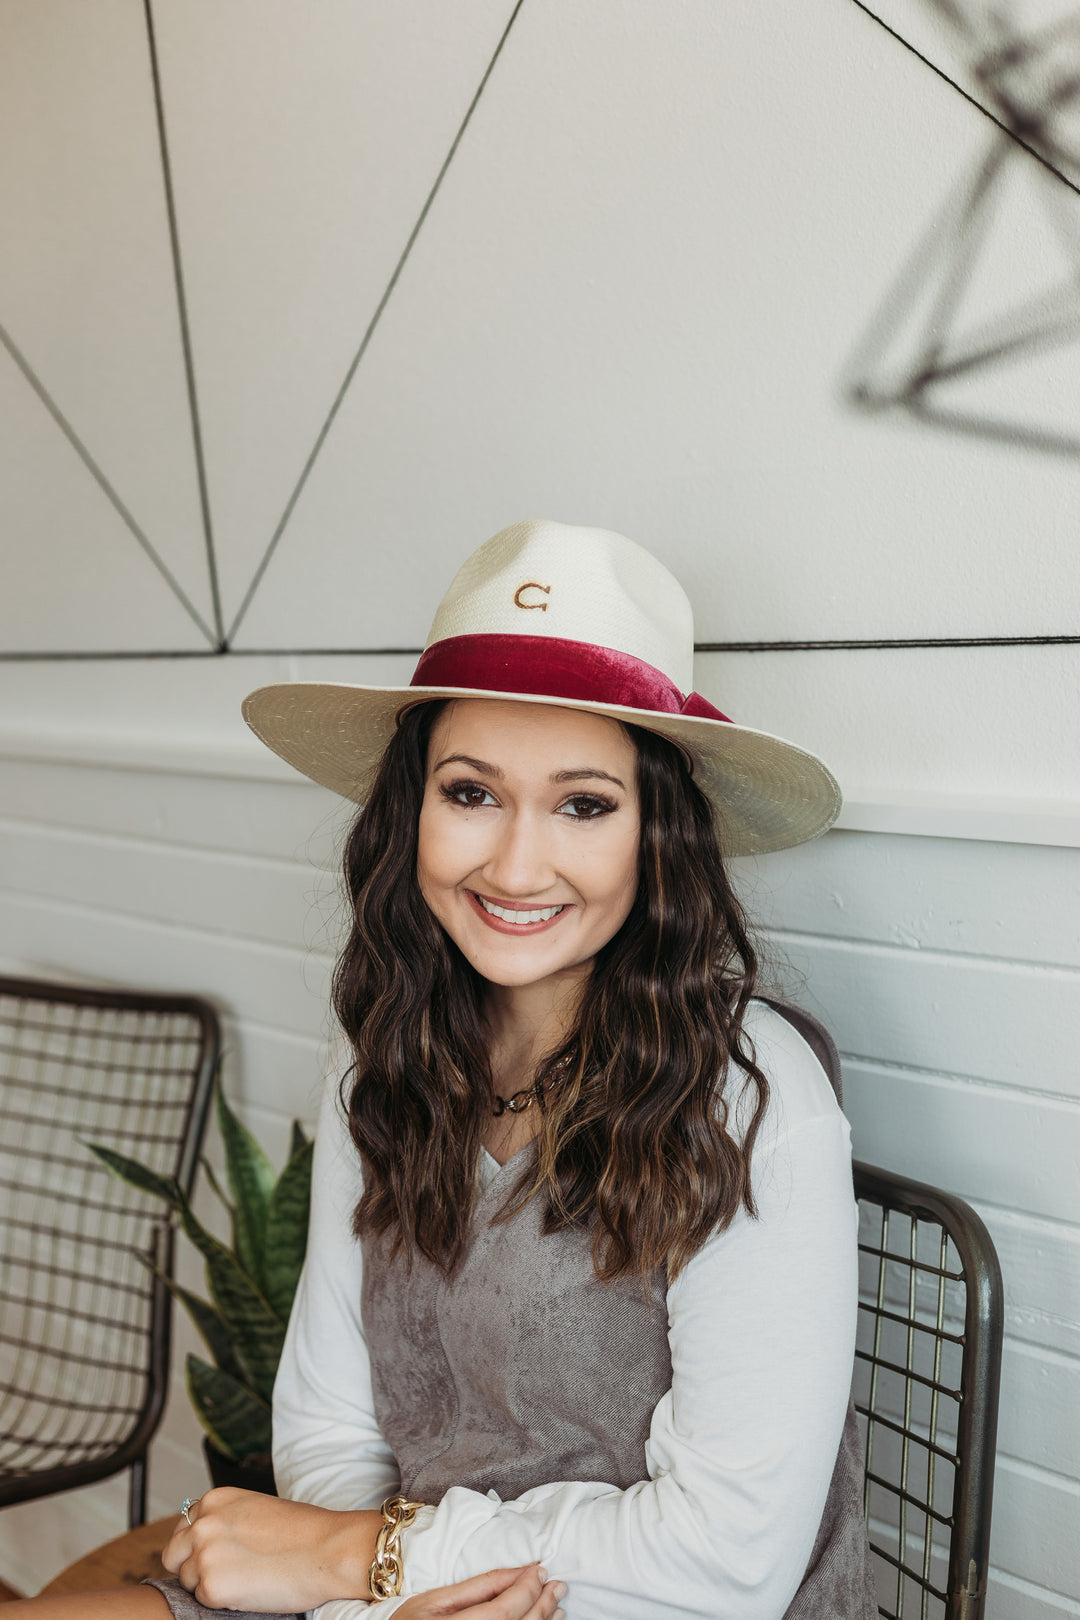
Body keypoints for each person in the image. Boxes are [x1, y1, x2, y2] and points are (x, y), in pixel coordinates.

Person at [11, 520, 877, 1620]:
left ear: (658, 834)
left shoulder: (749, 1093)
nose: (515, 865)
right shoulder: (381, 1050)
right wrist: (374, 1602)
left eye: (584, 804)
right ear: (410, 808)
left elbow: (729, 1564)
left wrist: (373, 1561)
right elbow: (329, 1428)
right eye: (471, 793)